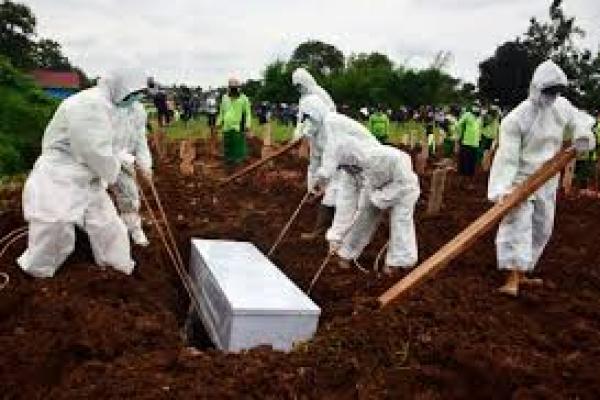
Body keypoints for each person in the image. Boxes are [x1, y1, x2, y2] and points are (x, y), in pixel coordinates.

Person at [17, 68, 146, 278]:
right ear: (118, 86)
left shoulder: (114, 108)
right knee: (55, 224)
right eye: (132, 93)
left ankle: (117, 271)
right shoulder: (87, 105)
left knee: (109, 227)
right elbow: (93, 150)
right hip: (61, 175)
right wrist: (117, 168)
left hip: (89, 177)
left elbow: (112, 144)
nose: (133, 98)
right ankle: (39, 274)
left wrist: (127, 160)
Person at [488, 60, 596, 297]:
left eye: (556, 91)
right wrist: (503, 189)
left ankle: (523, 273)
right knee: (519, 227)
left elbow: (580, 120)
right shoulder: (516, 119)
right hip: (521, 181)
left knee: (542, 227)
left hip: (548, 178)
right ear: (537, 87)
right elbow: (507, 158)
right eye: (549, 91)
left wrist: (582, 134)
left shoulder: (562, 107)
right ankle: (512, 279)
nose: (552, 96)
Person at [322, 137, 420, 273]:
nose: (345, 170)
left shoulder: (385, 157)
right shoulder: (348, 173)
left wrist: (381, 198)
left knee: (400, 220)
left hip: (404, 188)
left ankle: (400, 261)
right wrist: (335, 236)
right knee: (363, 215)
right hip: (374, 188)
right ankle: (346, 253)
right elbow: (346, 203)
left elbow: (405, 182)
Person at [297, 95, 378, 240]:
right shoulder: (316, 135)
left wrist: (322, 177)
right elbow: (315, 161)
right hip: (343, 167)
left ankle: (356, 237)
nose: (307, 121)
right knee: (332, 197)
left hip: (364, 163)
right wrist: (312, 185)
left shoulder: (332, 122)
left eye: (309, 117)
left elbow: (332, 151)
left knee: (362, 202)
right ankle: (325, 233)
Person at [113, 99, 153, 246]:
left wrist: (145, 166)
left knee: (130, 196)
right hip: (97, 160)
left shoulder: (138, 110)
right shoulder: (104, 107)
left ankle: (133, 230)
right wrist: (126, 158)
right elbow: (99, 143)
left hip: (124, 162)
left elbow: (141, 141)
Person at [291, 67, 335, 141]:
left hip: (324, 130)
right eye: (296, 87)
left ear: (304, 81)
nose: (298, 89)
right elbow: (301, 118)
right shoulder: (302, 98)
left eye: (299, 85)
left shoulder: (319, 93)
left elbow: (331, 110)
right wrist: (297, 133)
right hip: (311, 134)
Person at [216, 78, 252, 166]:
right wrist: (218, 123)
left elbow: (248, 113)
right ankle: (228, 163)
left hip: (238, 127)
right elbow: (221, 112)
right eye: (231, 88)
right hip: (226, 127)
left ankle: (238, 165)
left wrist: (247, 125)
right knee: (227, 146)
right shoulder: (225, 98)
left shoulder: (244, 99)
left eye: (235, 88)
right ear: (228, 88)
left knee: (238, 147)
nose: (233, 90)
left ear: (238, 88)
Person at [456, 105, 482, 181]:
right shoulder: (467, 115)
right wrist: (460, 135)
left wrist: (479, 139)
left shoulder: (480, 118)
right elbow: (459, 125)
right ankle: (462, 178)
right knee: (464, 161)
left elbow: (479, 129)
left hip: (475, 144)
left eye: (479, 106)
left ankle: (469, 178)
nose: (477, 108)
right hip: (466, 142)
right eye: (476, 106)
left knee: (472, 162)